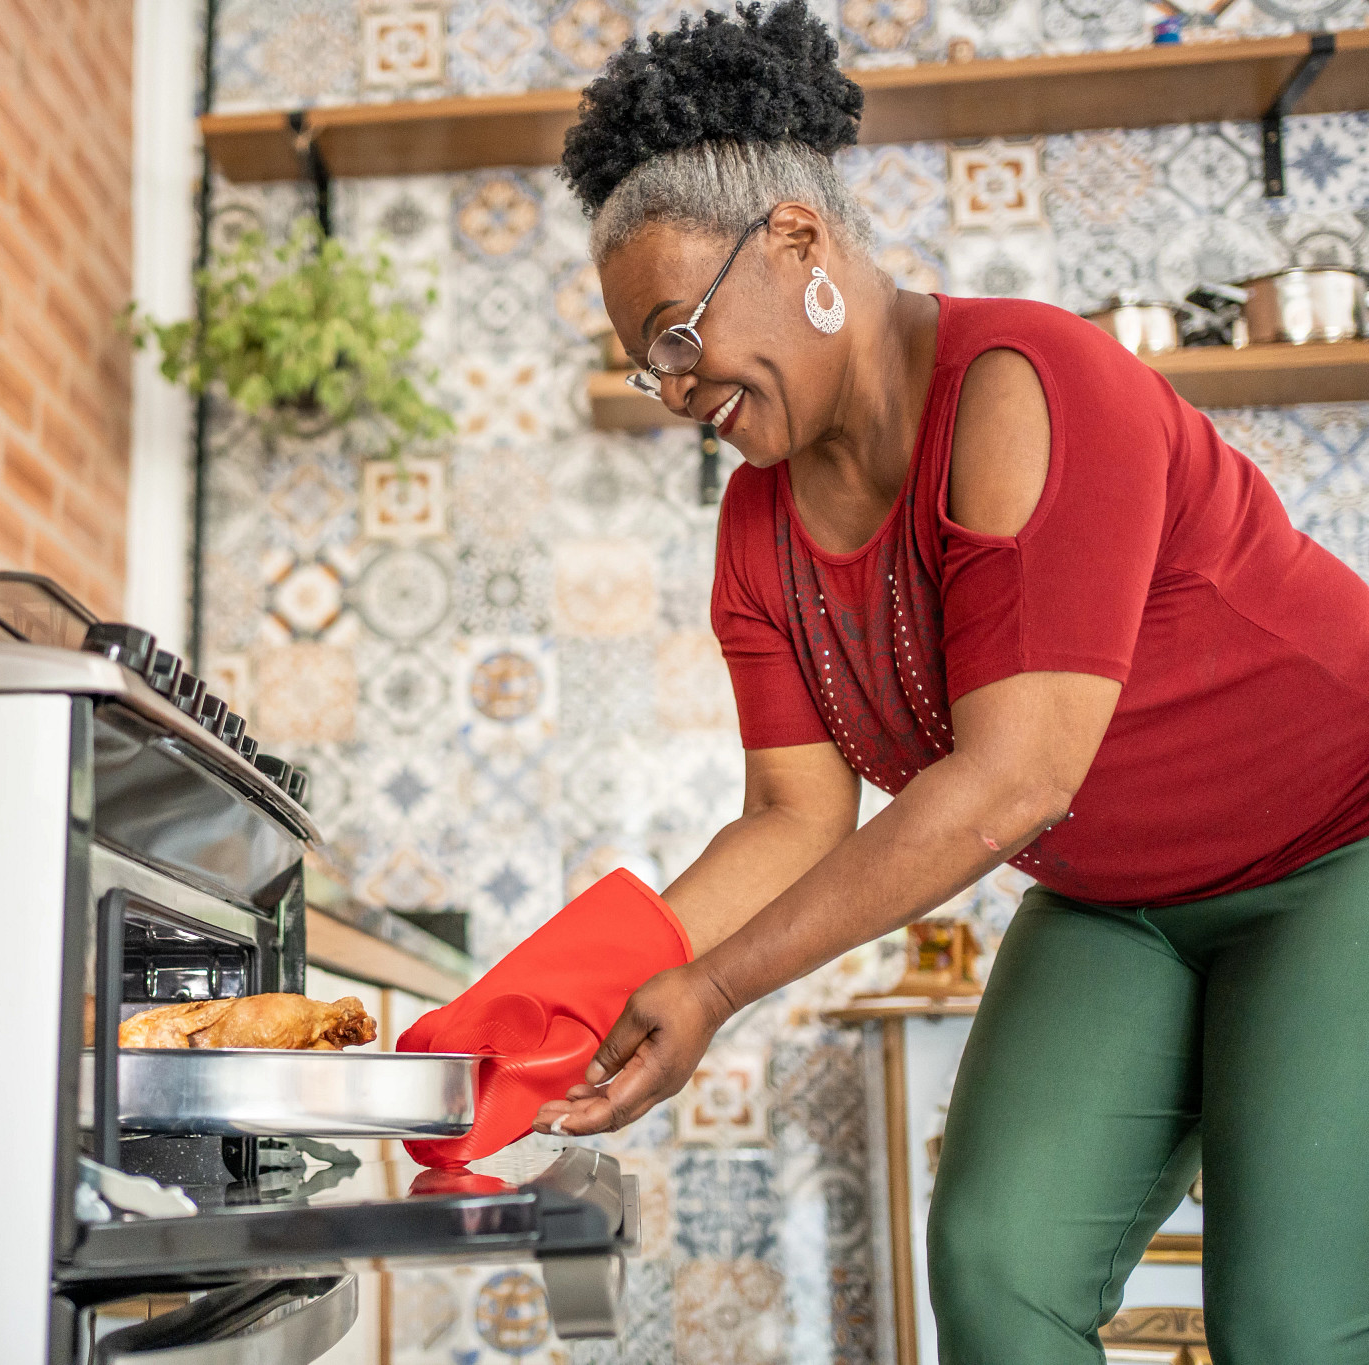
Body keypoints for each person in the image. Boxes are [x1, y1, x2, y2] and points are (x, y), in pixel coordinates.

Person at [430, 4, 1369, 1360]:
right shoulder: (759, 526)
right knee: (995, 1264)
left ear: (801, 243)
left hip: (1339, 847)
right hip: (1125, 908)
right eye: (650, 364)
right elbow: (791, 819)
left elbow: (1011, 782)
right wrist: (549, 1010)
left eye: (681, 337)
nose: (675, 388)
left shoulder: (1027, 388)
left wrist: (716, 989)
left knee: (1289, 1319)